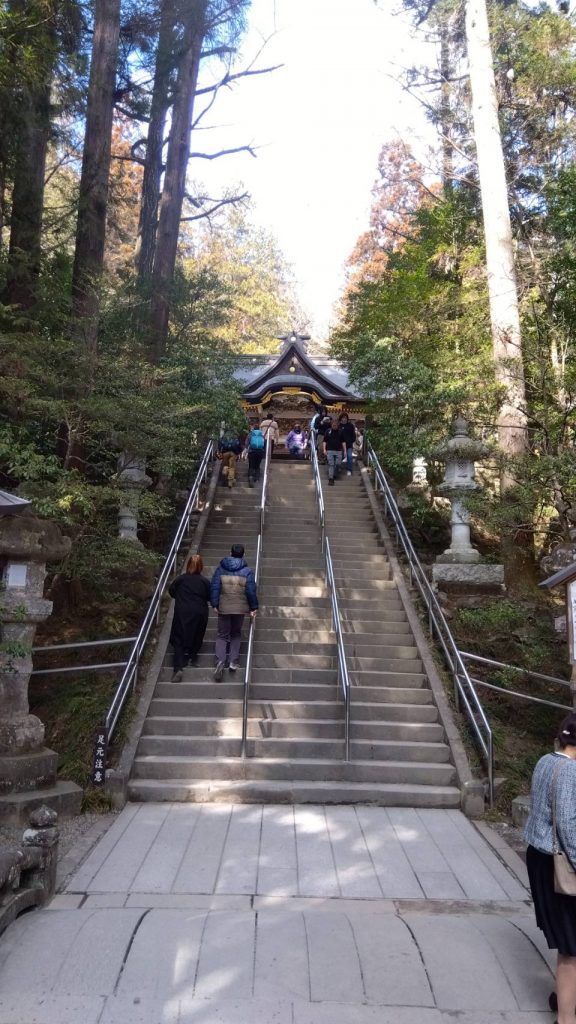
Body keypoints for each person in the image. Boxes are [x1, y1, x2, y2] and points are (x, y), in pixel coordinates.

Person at [524, 712, 576, 1023]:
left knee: (567, 937)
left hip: (540, 857)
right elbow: (568, 826)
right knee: (571, 948)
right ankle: (566, 1018)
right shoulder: (571, 771)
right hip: (561, 866)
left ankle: (562, 995)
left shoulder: (546, 761)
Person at [210, 543, 258, 680]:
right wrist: (253, 607)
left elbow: (215, 586)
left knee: (222, 635)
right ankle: (233, 661)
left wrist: (214, 604)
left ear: (230, 553)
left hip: (224, 607)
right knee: (235, 634)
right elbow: (251, 591)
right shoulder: (247, 571)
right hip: (239, 608)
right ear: (243, 555)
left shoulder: (221, 569)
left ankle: (220, 660)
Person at [168, 554, 211, 682]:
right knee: (197, 634)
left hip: (182, 611)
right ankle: (192, 657)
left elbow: (171, 591)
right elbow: (209, 596)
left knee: (179, 637)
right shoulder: (204, 582)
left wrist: (181, 597)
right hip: (199, 611)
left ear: (188, 565)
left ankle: (178, 667)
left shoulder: (181, 579)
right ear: (201, 566)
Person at [323, 418, 347, 485]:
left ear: (337, 425)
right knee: (331, 464)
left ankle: (334, 474)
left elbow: (343, 442)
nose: (334, 426)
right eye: (333, 425)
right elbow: (325, 441)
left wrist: (345, 451)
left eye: (336, 425)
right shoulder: (328, 431)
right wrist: (324, 449)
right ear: (331, 425)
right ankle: (331, 479)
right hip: (330, 450)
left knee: (338, 463)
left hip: (338, 450)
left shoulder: (340, 432)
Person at [246, 421, 266, 487]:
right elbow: (263, 444)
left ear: (254, 428)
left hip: (252, 451)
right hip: (260, 452)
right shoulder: (262, 434)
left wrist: (246, 449)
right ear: (259, 428)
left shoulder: (250, 434)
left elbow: (246, 443)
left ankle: (250, 477)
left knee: (251, 465)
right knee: (257, 465)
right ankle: (257, 478)